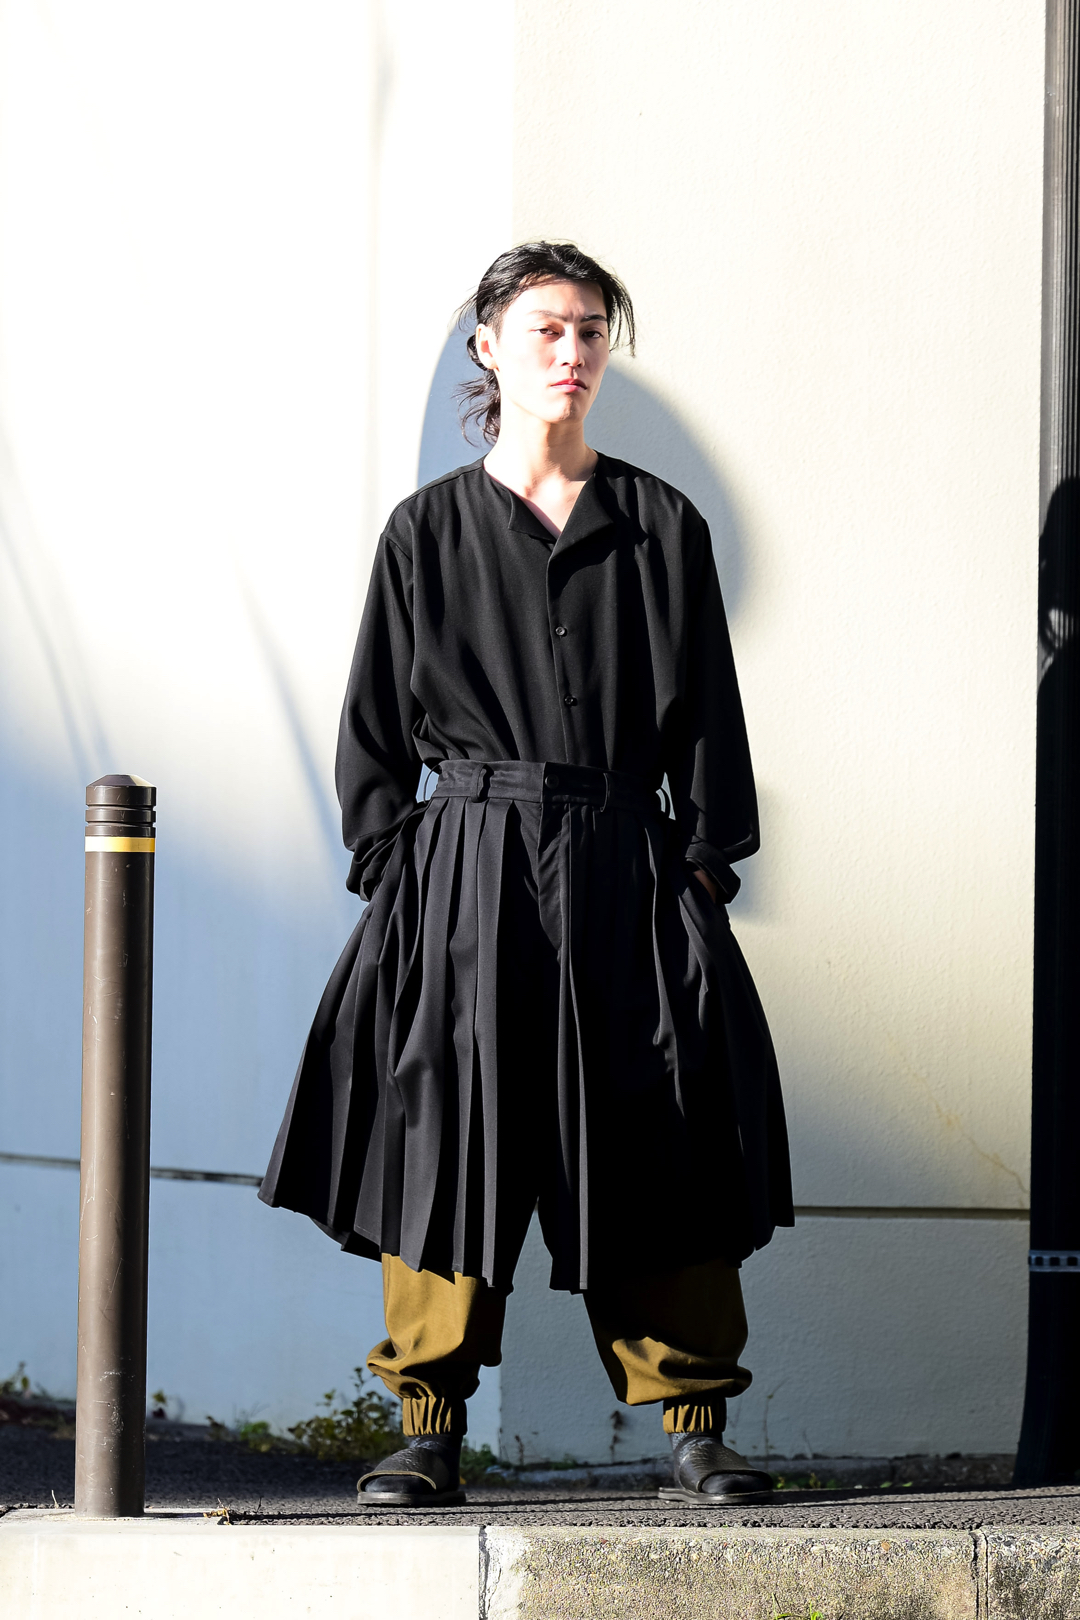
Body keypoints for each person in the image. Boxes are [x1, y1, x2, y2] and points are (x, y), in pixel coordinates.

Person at [259, 242, 793, 1506]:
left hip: (626, 865)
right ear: (489, 347)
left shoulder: (661, 525)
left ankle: (694, 1428)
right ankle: (428, 1427)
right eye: (549, 328)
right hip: (466, 873)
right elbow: (374, 735)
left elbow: (709, 720)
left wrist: (701, 872)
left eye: (593, 331)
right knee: (447, 1127)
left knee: (656, 1124)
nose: (575, 352)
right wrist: (404, 876)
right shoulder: (426, 533)